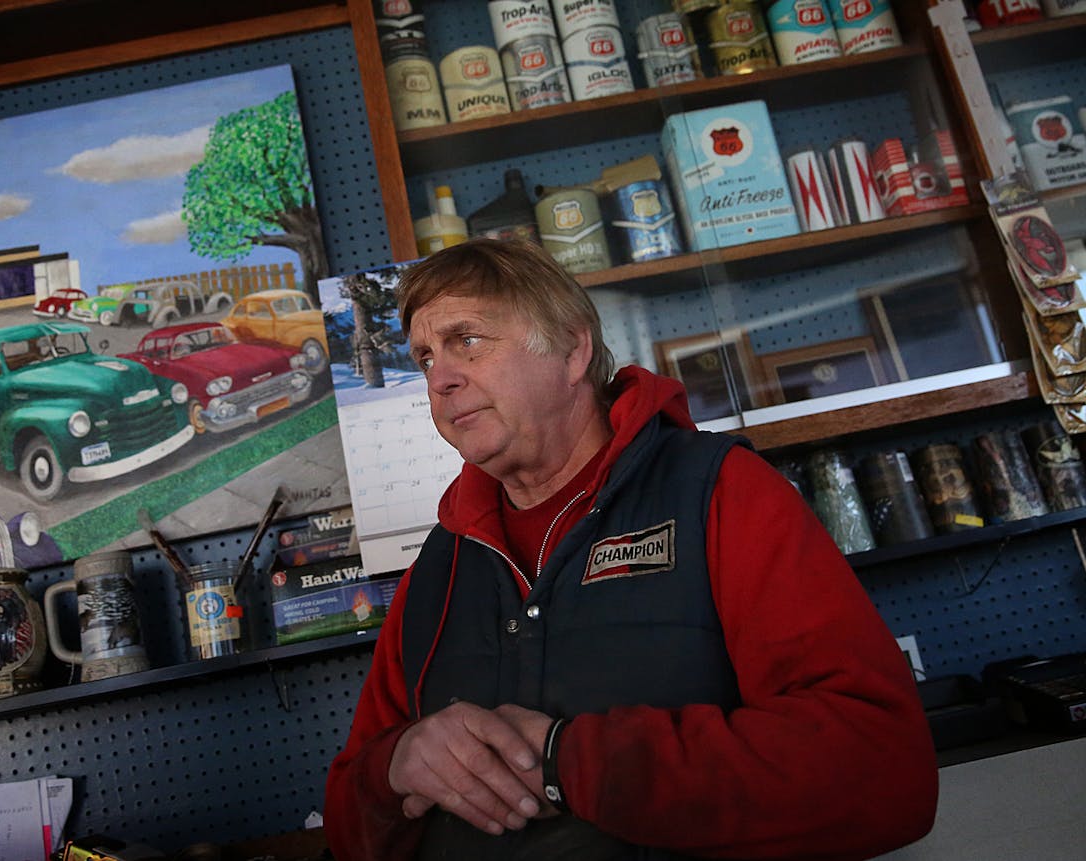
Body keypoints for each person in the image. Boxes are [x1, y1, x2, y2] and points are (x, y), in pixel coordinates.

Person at [323, 238, 938, 860]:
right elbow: (349, 825)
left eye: (468, 341)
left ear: (571, 350)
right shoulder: (439, 565)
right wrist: (394, 767)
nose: (441, 378)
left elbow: (882, 769)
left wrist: (573, 762)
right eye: (425, 357)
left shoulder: (720, 491)